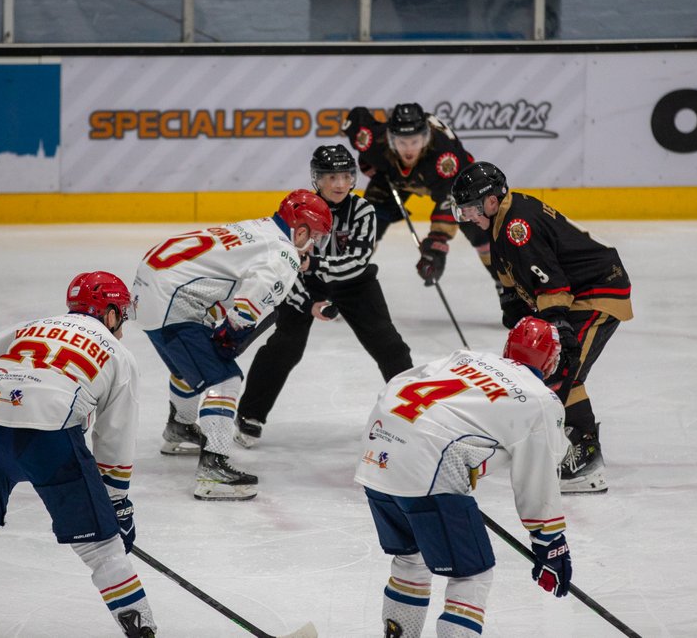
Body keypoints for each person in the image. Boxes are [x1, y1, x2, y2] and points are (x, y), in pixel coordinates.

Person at [0, 272, 155, 638]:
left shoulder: (33, 327)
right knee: (103, 549)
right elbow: (115, 438)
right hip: (48, 435)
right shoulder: (118, 353)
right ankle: (142, 632)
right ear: (109, 313)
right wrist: (116, 505)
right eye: (120, 314)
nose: (121, 323)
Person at [354, 317, 573, 638]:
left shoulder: (466, 357)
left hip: (377, 450)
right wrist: (550, 543)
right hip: (426, 465)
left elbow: (398, 383)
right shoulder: (539, 399)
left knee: (410, 559)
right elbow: (538, 477)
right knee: (472, 576)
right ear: (552, 362)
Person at [131, 189, 333, 500]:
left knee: (189, 366)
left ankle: (180, 428)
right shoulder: (284, 253)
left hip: (150, 291)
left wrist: (224, 328)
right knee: (224, 377)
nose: (314, 245)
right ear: (301, 230)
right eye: (315, 236)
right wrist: (232, 333)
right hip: (174, 302)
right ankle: (214, 468)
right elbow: (249, 304)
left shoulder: (259, 227)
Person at [450, 161, 632, 494]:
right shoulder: (503, 221)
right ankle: (571, 443)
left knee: (562, 368)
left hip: (597, 292)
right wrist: (515, 307)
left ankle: (586, 459)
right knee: (556, 370)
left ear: (491, 200)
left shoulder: (517, 226)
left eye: (472, 209)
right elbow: (517, 279)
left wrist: (558, 326)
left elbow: (552, 284)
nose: (470, 217)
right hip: (577, 294)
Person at [235, 144, 413, 447]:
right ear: (317, 179)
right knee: (284, 347)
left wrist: (314, 263)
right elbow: (284, 261)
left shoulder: (363, 210)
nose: (340, 184)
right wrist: (308, 300)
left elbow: (358, 261)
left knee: (389, 345)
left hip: (355, 284)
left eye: (345, 176)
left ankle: (415, 413)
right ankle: (250, 414)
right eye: (331, 177)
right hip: (304, 283)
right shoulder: (296, 208)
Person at [341, 102, 496, 287]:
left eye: (415, 142)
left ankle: (505, 283)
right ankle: (344, 279)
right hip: (393, 176)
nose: (408, 150)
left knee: (478, 229)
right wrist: (367, 158)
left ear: (426, 138)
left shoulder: (445, 158)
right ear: (390, 139)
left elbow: (451, 199)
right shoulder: (374, 141)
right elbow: (357, 116)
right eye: (402, 142)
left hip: (452, 181)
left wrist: (436, 248)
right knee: (366, 226)